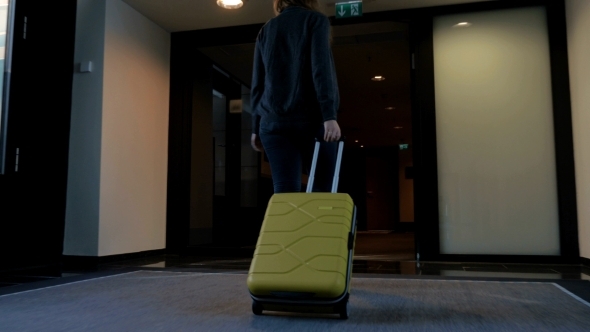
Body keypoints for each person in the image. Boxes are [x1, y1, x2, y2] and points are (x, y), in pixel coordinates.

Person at [250, 0, 341, 193]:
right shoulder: (316, 20)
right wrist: (329, 115)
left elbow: (258, 82)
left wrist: (255, 127)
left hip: (272, 123)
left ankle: (286, 225)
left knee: (284, 191)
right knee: (322, 188)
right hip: (311, 120)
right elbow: (321, 69)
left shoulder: (266, 29)